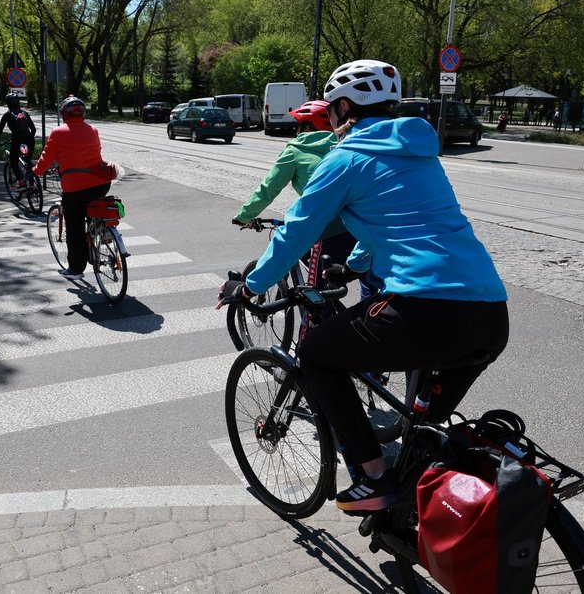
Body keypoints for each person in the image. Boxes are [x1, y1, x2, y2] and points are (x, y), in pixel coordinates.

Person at [218, 59, 509, 514]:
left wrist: (250, 286)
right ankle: (417, 514)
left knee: (315, 355)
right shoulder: (420, 152)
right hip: (490, 315)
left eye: (331, 109)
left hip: (426, 311)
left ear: (345, 106)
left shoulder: (347, 157)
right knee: (423, 436)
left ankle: (374, 477)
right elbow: (399, 225)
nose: (329, 119)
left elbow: (296, 231)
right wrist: (353, 267)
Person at [233, 100, 361, 292]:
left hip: (327, 231)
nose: (296, 131)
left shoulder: (296, 150)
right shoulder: (347, 144)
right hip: (360, 229)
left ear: (306, 127)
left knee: (317, 297)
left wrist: (244, 216)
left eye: (299, 126)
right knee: (369, 291)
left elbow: (269, 188)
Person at [32, 95, 113, 280]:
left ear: (64, 114)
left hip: (75, 189)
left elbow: (45, 158)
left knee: (74, 228)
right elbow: (96, 153)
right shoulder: (93, 129)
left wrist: (36, 171)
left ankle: (76, 269)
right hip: (101, 183)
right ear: (83, 114)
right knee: (92, 209)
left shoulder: (58, 132)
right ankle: (99, 229)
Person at [0, 93, 36, 190]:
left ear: (8, 104)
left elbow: (0, 129)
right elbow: (33, 129)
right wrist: (29, 139)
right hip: (29, 139)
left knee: (14, 162)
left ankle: (21, 182)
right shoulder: (25, 113)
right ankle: (32, 183)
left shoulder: (7, 115)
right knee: (28, 160)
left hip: (17, 140)